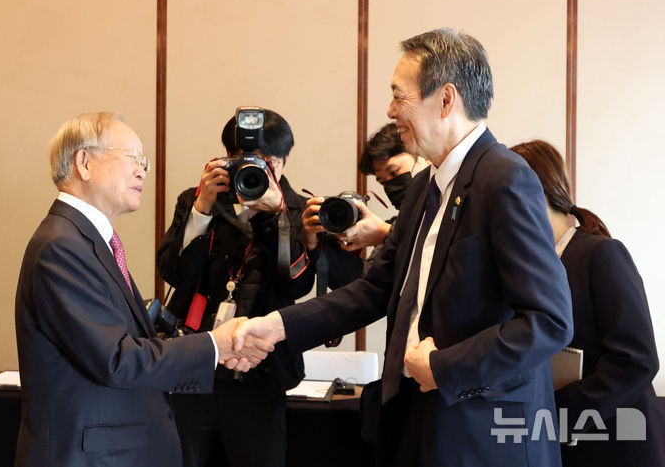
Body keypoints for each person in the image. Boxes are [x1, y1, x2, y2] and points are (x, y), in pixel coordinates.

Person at [234, 28, 573, 467]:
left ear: (446, 99)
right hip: (413, 419)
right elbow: (374, 290)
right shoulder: (423, 187)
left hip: (480, 435)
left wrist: (446, 367)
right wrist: (275, 327)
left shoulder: (505, 178)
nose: (390, 111)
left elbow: (548, 322)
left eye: (399, 96)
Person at [14, 112, 270, 467]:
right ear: (84, 163)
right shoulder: (62, 246)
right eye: (132, 157)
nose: (142, 170)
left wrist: (216, 351)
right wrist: (215, 344)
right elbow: (117, 359)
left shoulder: (85, 240)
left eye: (144, 161)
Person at [156, 109, 314, 467]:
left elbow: (297, 283)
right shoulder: (197, 200)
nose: (255, 167)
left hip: (260, 375)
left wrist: (278, 218)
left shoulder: (299, 209)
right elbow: (173, 272)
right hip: (195, 366)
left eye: (267, 159)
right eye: (243, 158)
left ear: (284, 160)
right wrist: (202, 208)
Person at [511, 139, 664, 467]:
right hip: (561, 440)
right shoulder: (532, 266)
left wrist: (558, 411)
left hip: (617, 442)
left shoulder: (600, 254)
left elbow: (637, 360)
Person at [302, 123, 426, 292]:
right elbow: (362, 283)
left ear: (424, 158)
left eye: (394, 172)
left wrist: (384, 233)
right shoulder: (399, 224)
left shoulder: (452, 205)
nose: (391, 185)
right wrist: (313, 243)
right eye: (382, 181)